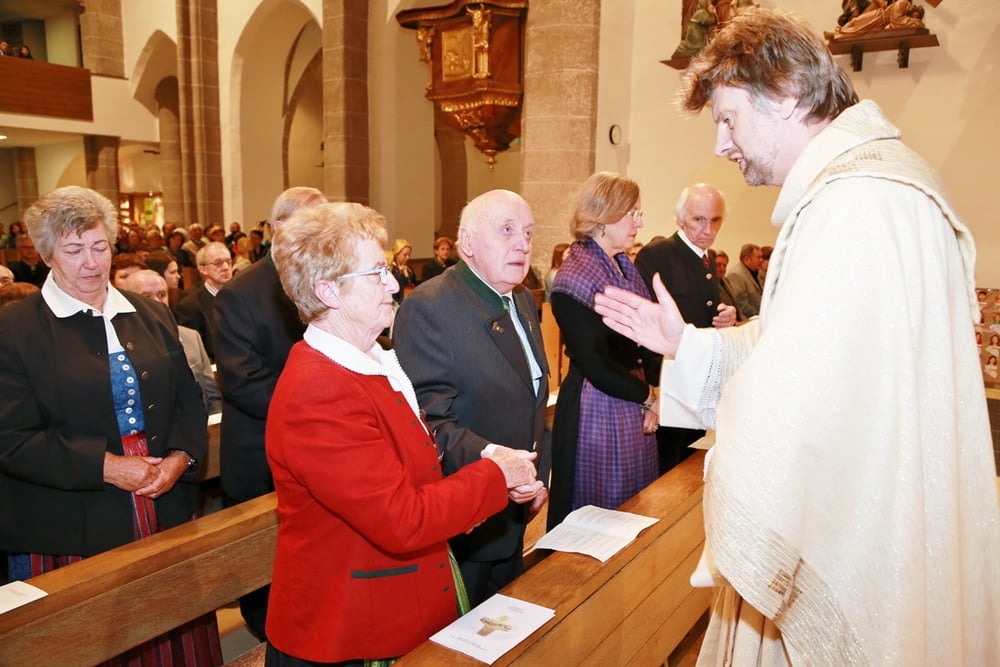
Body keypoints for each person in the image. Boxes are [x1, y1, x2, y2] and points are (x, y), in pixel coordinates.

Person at [593, 9, 1000, 665]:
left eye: (728, 118)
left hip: (860, 542)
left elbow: (802, 406)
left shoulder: (857, 205)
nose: (721, 144)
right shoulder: (867, 190)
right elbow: (803, 351)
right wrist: (690, 345)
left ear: (784, 93)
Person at [263, 201, 541, 665]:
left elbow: (418, 471)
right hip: (348, 632)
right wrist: (497, 475)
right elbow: (402, 518)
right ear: (327, 291)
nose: (393, 284)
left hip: (400, 605)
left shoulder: (371, 359)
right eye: (376, 273)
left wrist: (491, 475)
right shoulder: (319, 390)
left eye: (388, 269)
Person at [0, 186, 220, 665]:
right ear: (46, 255)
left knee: (172, 636)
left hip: (163, 499)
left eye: (99, 247)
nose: (91, 263)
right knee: (93, 643)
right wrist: (108, 466)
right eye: (74, 250)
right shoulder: (13, 329)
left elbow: (188, 397)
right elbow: (10, 439)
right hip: (72, 516)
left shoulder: (151, 312)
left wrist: (181, 457)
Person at [393, 189, 549, 605]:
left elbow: (532, 398)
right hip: (467, 519)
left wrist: (536, 476)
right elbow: (428, 423)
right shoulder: (430, 306)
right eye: (507, 230)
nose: (523, 244)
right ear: (467, 242)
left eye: (528, 232)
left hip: (515, 508)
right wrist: (499, 463)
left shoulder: (521, 298)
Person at [213, 186, 325, 639]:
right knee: (266, 570)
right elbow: (243, 382)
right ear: (279, 228)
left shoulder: (325, 279)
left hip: (318, 445)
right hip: (260, 452)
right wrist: (322, 405)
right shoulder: (240, 294)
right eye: (312, 223)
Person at [546, 172, 662, 530]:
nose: (639, 223)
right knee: (602, 513)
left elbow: (648, 337)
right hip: (598, 404)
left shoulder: (622, 266)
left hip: (631, 396)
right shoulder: (574, 278)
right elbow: (596, 363)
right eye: (632, 213)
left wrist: (653, 393)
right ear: (604, 215)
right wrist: (649, 397)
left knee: (633, 507)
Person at [634, 183, 737, 474]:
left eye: (715, 220)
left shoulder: (706, 257)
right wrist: (653, 393)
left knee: (689, 466)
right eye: (699, 220)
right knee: (665, 469)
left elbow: (703, 311)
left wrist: (726, 316)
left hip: (698, 381)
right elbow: (647, 323)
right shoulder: (658, 254)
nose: (708, 230)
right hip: (669, 384)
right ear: (680, 218)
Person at [121, 270, 221, 415]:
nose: (156, 302)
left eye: (161, 295)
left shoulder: (191, 337)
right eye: (146, 297)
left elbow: (212, 396)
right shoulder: (121, 346)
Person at [175, 241, 233, 360]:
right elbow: (195, 354)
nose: (226, 267)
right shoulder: (189, 306)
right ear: (203, 270)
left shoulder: (243, 294)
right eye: (218, 263)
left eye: (229, 262)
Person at [726, 242, 763, 318]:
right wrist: (759, 316)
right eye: (758, 257)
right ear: (747, 259)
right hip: (749, 319)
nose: (761, 260)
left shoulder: (756, 272)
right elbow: (741, 304)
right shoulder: (736, 274)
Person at [389, 237, 416, 303]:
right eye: (405, 255)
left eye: (409, 255)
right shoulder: (392, 270)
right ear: (397, 254)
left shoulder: (409, 270)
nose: (407, 257)